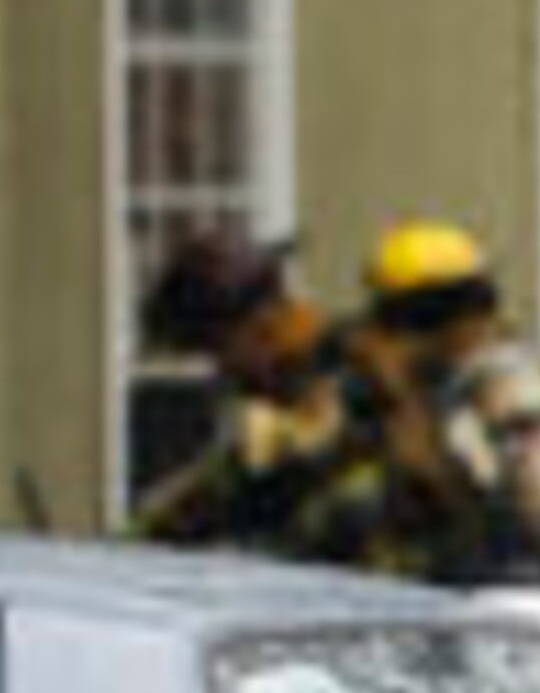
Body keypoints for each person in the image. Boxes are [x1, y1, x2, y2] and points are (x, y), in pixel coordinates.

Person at [340, 216, 540, 588]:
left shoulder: (506, 386)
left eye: (394, 325)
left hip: (518, 593)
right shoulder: (440, 392)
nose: (389, 342)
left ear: (426, 320)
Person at [131, 226, 370, 558]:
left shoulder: (376, 385)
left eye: (220, 351)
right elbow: (195, 505)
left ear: (263, 326)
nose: (224, 372)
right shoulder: (273, 424)